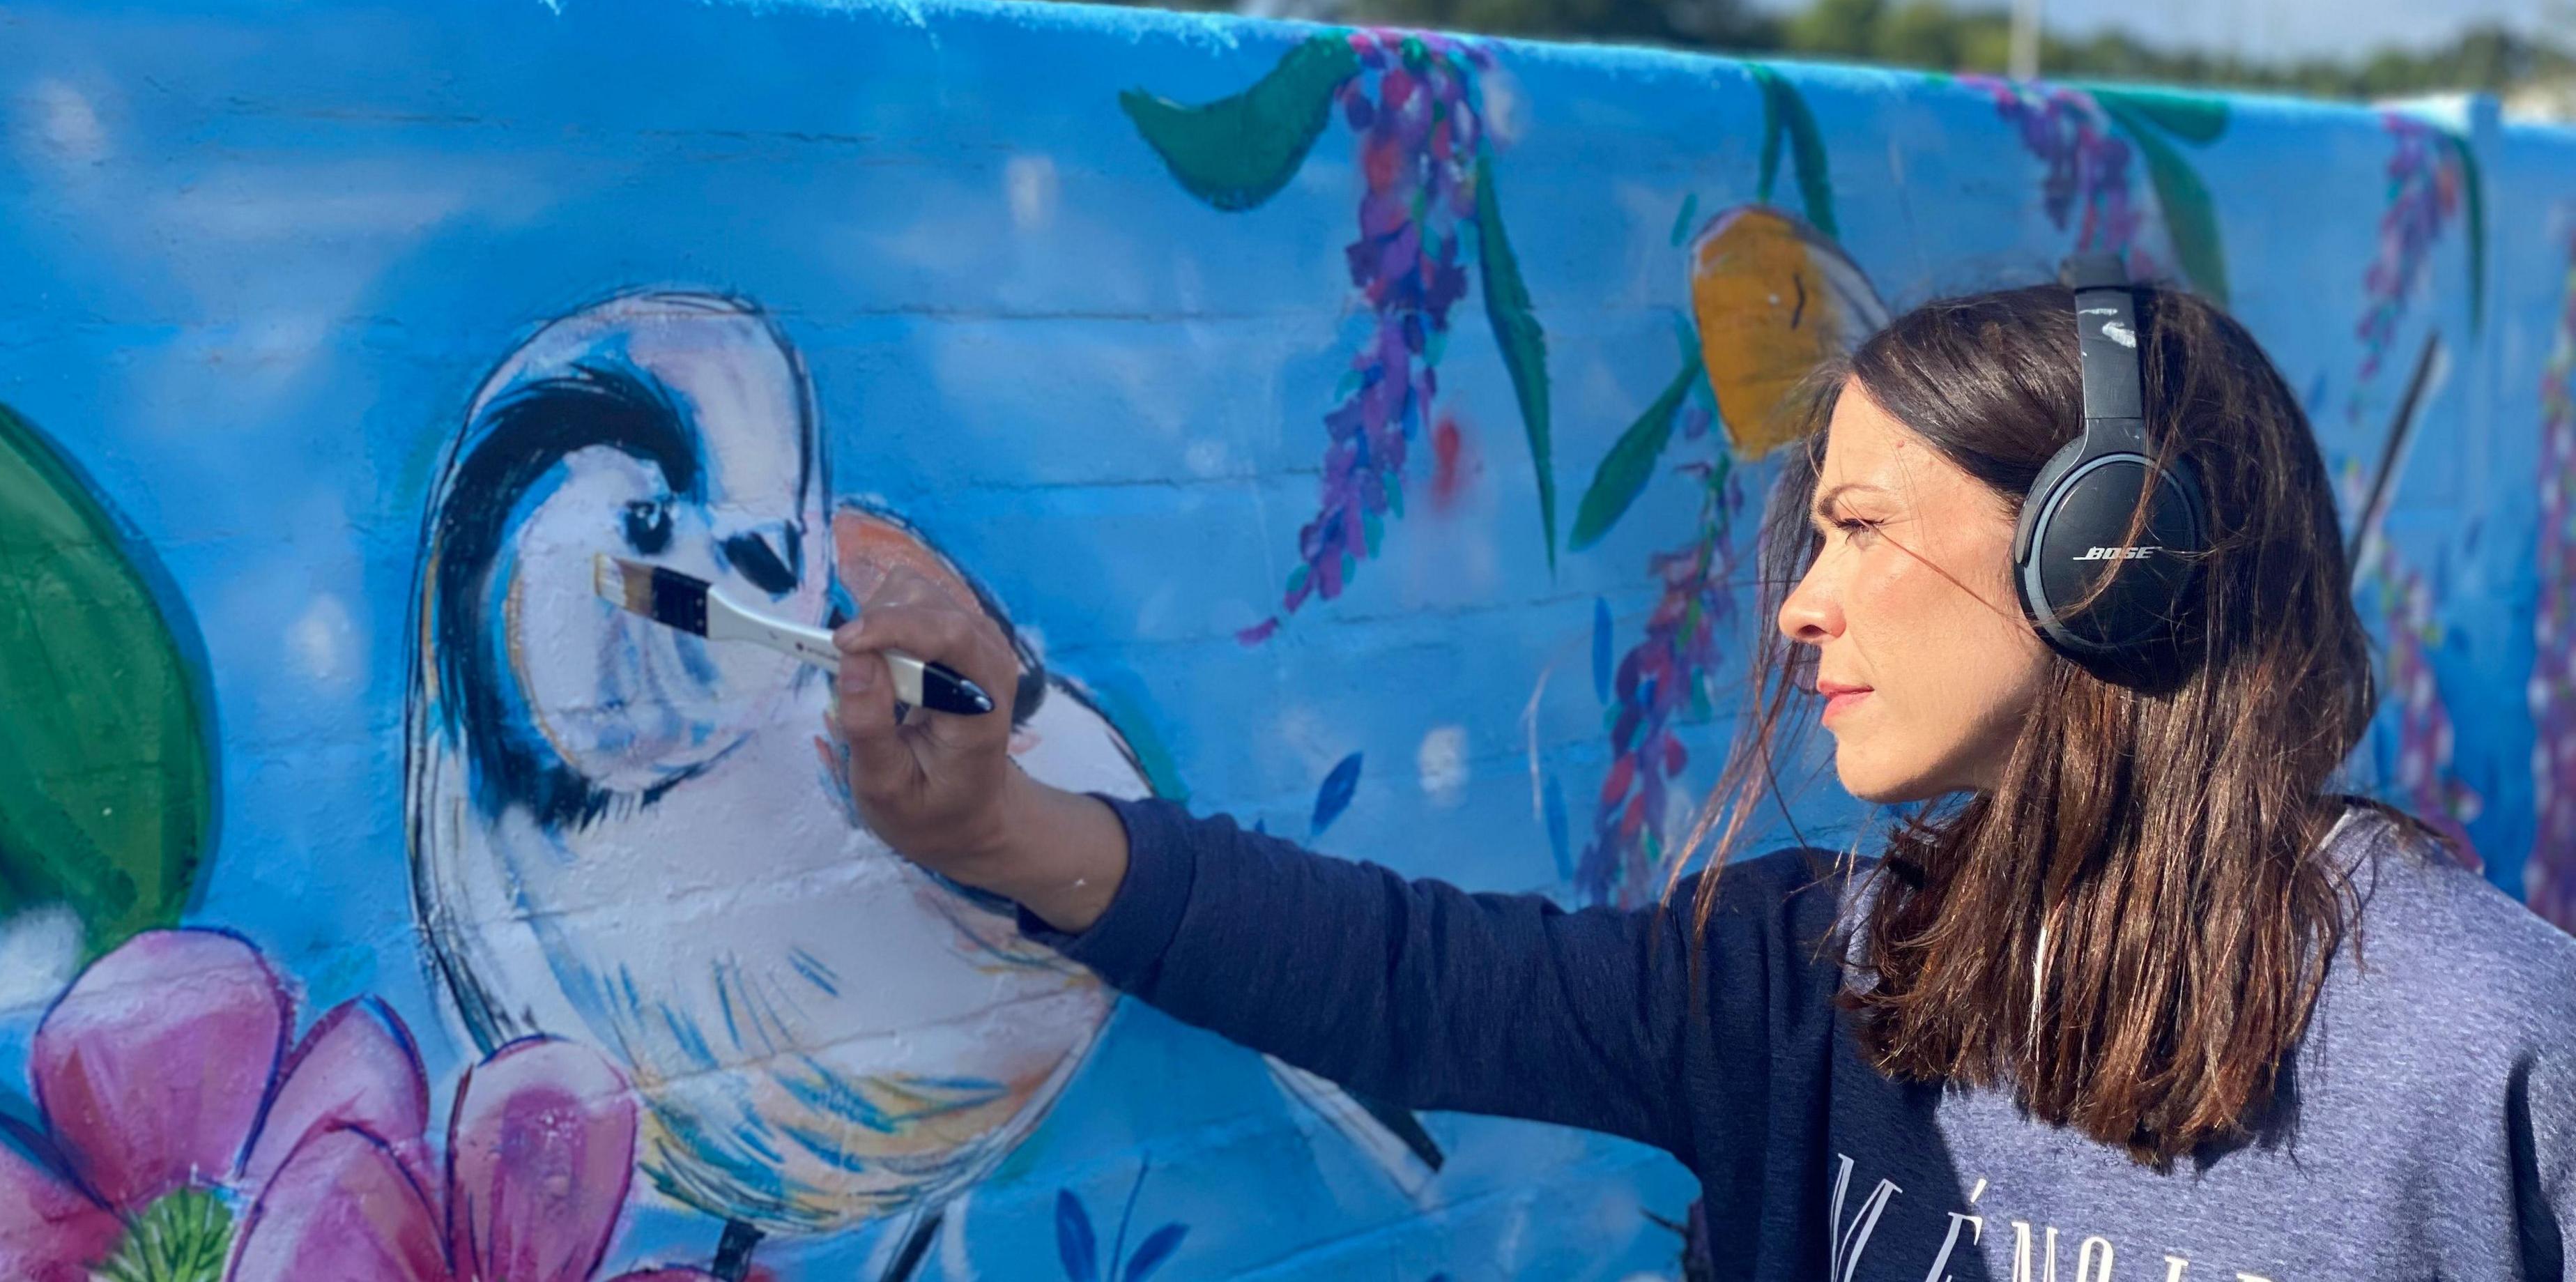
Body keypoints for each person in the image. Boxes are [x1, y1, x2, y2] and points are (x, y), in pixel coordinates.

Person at [821, 276, 2576, 1280]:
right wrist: (998, 824)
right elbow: (1411, 979)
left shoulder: (2480, 1039)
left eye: (1858, 528)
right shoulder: (1823, 976)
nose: (1801, 607)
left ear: (2103, 560)